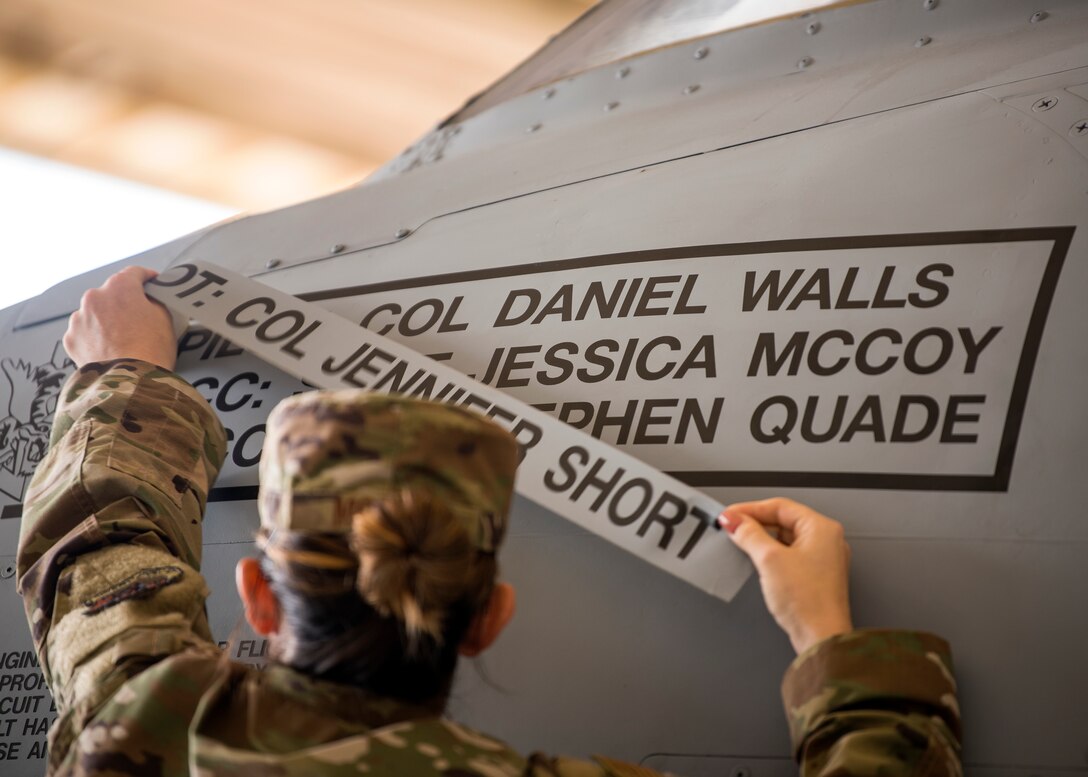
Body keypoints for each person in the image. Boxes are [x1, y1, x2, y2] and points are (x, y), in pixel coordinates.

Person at [17, 266, 962, 776]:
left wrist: (122, 373)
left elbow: (97, 545)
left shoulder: (142, 722)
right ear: (489, 617)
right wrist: (827, 635)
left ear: (258, 596)